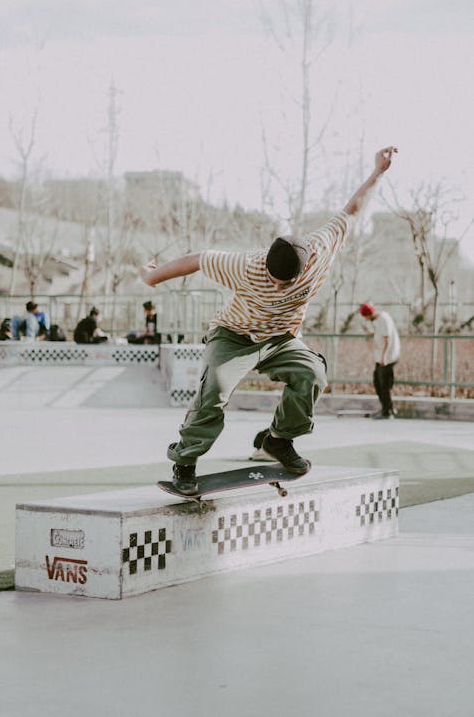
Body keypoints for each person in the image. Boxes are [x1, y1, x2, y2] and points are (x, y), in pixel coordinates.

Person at [140, 146, 398, 495]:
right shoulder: (246, 265)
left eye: (284, 283)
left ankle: (278, 440)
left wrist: (378, 172)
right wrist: (152, 279)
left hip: (281, 339)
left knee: (313, 374)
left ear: (304, 269)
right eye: (272, 280)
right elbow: (197, 259)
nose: (276, 286)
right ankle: (185, 462)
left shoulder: (319, 253)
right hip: (234, 335)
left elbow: (352, 211)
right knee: (214, 386)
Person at [359, 303, 401, 419]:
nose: (366, 320)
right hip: (383, 357)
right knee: (378, 381)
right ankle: (388, 408)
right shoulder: (380, 319)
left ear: (369, 315)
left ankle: (387, 412)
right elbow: (382, 334)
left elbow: (387, 339)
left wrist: (384, 357)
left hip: (388, 357)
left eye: (366, 317)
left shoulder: (383, 319)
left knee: (384, 384)